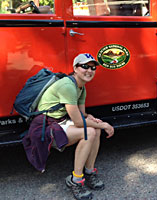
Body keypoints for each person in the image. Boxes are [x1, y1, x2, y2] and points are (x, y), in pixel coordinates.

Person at [23, 53, 114, 200]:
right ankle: (75, 180)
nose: (89, 71)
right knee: (89, 132)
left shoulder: (81, 87)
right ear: (75, 68)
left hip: (60, 121)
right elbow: (79, 123)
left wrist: (92, 118)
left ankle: (89, 172)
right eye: (85, 66)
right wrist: (104, 124)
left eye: (92, 68)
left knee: (94, 128)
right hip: (44, 127)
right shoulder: (68, 86)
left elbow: (81, 115)